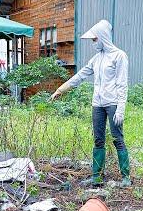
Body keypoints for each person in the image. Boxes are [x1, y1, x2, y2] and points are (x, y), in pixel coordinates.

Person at [50, 20, 131, 188]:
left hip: (113, 104)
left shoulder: (119, 56)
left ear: (103, 37)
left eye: (95, 39)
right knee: (98, 140)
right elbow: (80, 76)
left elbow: (122, 84)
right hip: (98, 104)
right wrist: (61, 89)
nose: (94, 43)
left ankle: (125, 177)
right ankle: (97, 177)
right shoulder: (96, 59)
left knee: (118, 139)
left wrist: (121, 109)